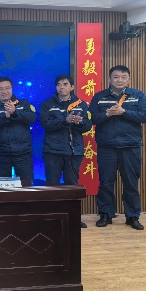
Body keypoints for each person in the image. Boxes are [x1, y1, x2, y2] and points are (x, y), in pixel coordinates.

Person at [89, 65, 146, 230]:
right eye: (116, 77)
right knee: (106, 182)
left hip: (130, 145)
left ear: (128, 79)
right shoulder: (99, 97)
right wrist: (107, 114)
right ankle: (105, 214)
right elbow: (91, 118)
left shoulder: (138, 96)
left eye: (124, 77)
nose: (120, 80)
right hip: (106, 146)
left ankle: (132, 216)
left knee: (131, 183)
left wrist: (124, 112)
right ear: (109, 79)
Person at [40, 75, 91, 228]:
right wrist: (65, 121)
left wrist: (79, 123)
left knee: (72, 186)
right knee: (52, 186)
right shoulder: (48, 104)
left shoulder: (81, 104)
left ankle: (73, 218)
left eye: (65, 84)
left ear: (72, 87)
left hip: (74, 151)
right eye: (58, 85)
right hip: (53, 151)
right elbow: (45, 124)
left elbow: (88, 125)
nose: (61, 87)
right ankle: (52, 218)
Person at [0, 77, 36, 184]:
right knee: (3, 186)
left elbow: (32, 118)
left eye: (7, 88)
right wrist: (5, 117)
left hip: (23, 152)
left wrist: (15, 112)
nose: (4, 91)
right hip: (1, 153)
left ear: (12, 89)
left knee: (26, 185)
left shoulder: (23, 103)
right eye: (0, 89)